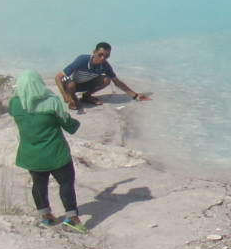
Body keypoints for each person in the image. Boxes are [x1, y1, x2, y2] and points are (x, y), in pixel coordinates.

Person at [8, 69, 85, 231]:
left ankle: (46, 217)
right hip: (56, 153)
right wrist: (75, 124)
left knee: (39, 184)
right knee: (65, 182)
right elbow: (65, 121)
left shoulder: (14, 103)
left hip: (31, 154)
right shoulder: (51, 101)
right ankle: (72, 218)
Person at [57, 43, 149, 111]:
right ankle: (72, 98)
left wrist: (136, 96)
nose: (102, 58)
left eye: (106, 56)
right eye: (100, 55)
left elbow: (117, 82)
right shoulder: (82, 60)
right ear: (94, 52)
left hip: (84, 84)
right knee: (71, 85)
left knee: (106, 79)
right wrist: (64, 94)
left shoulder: (105, 66)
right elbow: (58, 78)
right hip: (70, 84)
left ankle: (87, 95)